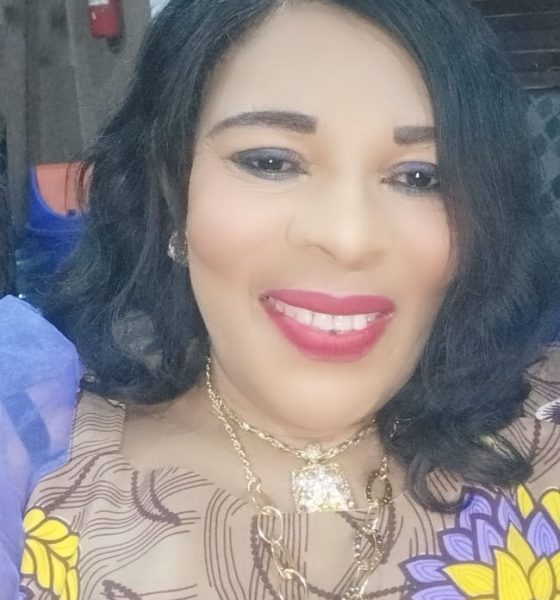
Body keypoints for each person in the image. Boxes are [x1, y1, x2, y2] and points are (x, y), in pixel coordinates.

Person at [19, 0, 560, 598]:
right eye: (272, 162)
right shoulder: (30, 461)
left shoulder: (545, 430)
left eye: (419, 177)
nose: (347, 238)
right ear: (175, 190)